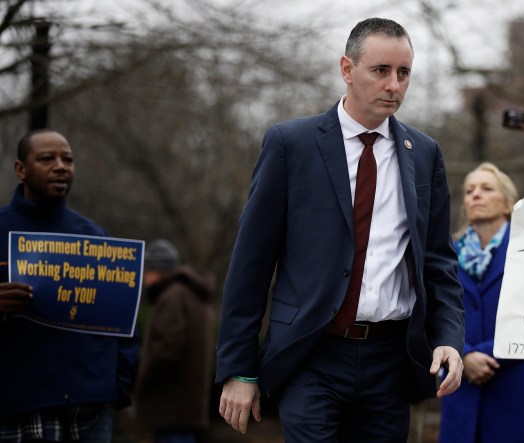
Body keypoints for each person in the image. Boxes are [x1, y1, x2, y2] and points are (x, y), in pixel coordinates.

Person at [215, 17, 465, 442]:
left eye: (403, 73)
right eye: (381, 70)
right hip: (311, 353)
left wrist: (448, 338)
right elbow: (251, 265)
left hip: (391, 360)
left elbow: (438, 260)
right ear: (347, 70)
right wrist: (239, 369)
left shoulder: (423, 153)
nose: (394, 85)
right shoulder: (289, 145)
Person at [0, 129, 138, 442]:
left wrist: (116, 386)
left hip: (89, 414)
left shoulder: (94, 237)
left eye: (68, 159)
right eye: (47, 158)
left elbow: (124, 322)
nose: (61, 166)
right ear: (20, 170)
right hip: (17, 408)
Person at [438, 163, 524, 443]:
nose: (476, 195)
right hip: (460, 390)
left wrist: (482, 355)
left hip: (515, 387)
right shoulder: (445, 254)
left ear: (508, 203)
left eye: (487, 189)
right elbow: (434, 314)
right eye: (470, 190)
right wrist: (463, 355)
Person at [134, 239, 215, 443]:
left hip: (171, 408)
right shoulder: (194, 295)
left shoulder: (172, 297)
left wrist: (142, 379)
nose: (144, 278)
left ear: (158, 271)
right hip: (189, 407)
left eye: (147, 271)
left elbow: (165, 350)